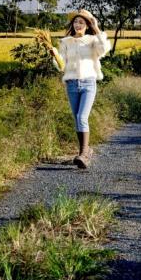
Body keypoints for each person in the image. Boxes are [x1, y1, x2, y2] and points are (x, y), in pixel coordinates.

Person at [48, 9, 110, 169]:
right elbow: (61, 66)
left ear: (87, 25)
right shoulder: (66, 42)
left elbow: (104, 49)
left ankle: (83, 154)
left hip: (89, 83)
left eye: (82, 22)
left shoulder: (93, 40)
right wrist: (54, 55)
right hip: (72, 84)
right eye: (76, 22)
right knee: (77, 118)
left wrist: (96, 27)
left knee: (82, 117)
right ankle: (86, 151)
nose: (78, 24)